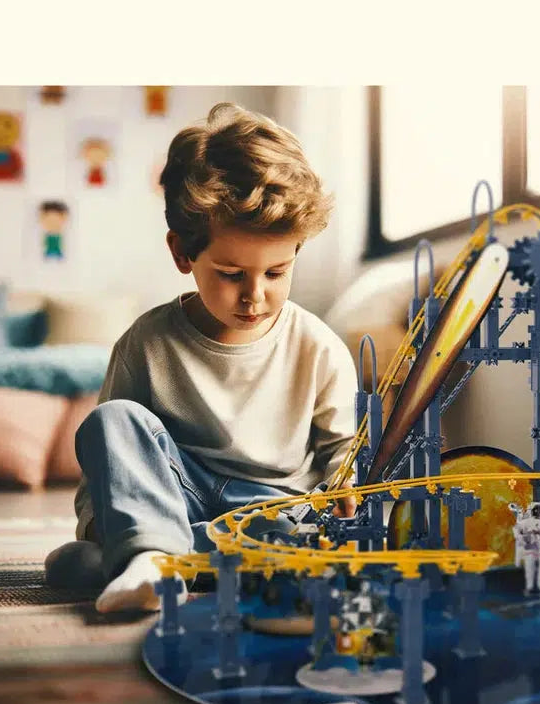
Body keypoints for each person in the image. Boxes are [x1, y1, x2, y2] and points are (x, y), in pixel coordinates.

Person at [45, 103, 358, 614]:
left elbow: (343, 451)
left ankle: (141, 559)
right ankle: (151, 554)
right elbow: (111, 459)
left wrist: (347, 485)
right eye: (232, 274)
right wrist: (99, 517)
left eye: (276, 273)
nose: (254, 296)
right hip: (172, 497)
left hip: (270, 510)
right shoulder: (146, 343)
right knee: (112, 419)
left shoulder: (318, 346)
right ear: (182, 253)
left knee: (295, 537)